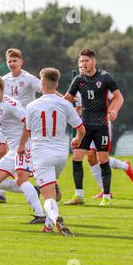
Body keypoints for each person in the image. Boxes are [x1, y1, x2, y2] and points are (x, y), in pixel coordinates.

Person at [18, 68, 85, 236]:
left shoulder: (32, 106)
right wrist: (77, 140)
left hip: (42, 155)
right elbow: (81, 129)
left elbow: (28, 131)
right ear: (56, 84)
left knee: (47, 195)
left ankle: (56, 219)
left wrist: (21, 146)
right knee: (52, 190)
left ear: (41, 84)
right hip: (61, 155)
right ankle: (48, 226)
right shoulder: (65, 103)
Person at [0, 48, 62, 204]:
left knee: (30, 160)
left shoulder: (29, 79)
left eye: (15, 60)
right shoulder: (4, 80)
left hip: (26, 124)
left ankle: (49, 183)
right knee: (0, 153)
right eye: (9, 61)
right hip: (8, 123)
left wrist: (64, 100)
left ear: (21, 62)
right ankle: (1, 193)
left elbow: (47, 89)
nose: (12, 63)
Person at [63, 49, 124, 206]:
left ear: (94, 61)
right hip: (84, 127)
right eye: (82, 61)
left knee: (103, 160)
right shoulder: (78, 80)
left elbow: (118, 97)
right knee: (76, 158)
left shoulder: (105, 77)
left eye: (87, 61)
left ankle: (106, 197)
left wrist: (114, 110)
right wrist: (71, 109)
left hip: (101, 126)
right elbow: (66, 100)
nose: (84, 64)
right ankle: (79, 196)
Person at [0, 74, 46, 224]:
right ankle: (34, 190)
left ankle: (40, 214)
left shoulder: (10, 104)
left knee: (21, 179)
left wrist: (22, 144)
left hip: (23, 148)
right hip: (12, 150)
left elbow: (28, 122)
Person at [74, 62, 133, 198]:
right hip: (87, 126)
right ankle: (105, 189)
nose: (83, 69)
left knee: (99, 157)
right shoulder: (78, 87)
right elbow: (79, 109)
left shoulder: (100, 84)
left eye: (84, 66)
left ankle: (125, 167)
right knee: (91, 156)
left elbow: (115, 97)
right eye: (80, 67)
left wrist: (113, 110)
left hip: (102, 124)